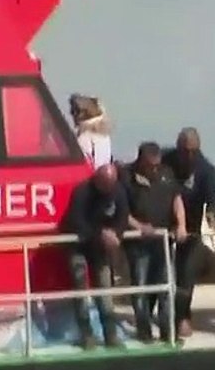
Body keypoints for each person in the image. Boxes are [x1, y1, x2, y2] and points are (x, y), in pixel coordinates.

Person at [122, 142, 187, 343]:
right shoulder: (126, 176)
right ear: (141, 160)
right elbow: (121, 212)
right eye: (150, 165)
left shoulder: (166, 173)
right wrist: (140, 227)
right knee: (140, 288)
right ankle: (144, 331)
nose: (154, 169)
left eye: (157, 165)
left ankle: (169, 332)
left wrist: (181, 224)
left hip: (164, 242)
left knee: (166, 287)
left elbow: (177, 199)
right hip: (139, 244)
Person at [161, 127, 215, 337]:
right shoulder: (165, 161)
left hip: (191, 230)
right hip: (163, 227)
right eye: (184, 150)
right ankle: (159, 317)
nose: (188, 155)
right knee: (158, 274)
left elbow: (214, 198)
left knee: (185, 276)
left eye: (193, 151)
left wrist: (212, 215)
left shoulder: (205, 169)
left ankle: (182, 317)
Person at [59, 163, 129, 349]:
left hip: (101, 249)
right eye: (104, 184)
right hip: (79, 245)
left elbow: (123, 217)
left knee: (104, 291)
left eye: (111, 184)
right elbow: (76, 221)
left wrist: (116, 234)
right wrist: (100, 235)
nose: (108, 189)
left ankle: (110, 335)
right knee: (81, 291)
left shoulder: (118, 192)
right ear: (97, 179)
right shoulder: (82, 192)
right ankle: (86, 334)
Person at [68, 94, 112, 169]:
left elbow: (81, 163)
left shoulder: (85, 136)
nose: (71, 114)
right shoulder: (104, 136)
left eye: (74, 111)